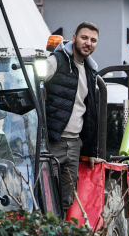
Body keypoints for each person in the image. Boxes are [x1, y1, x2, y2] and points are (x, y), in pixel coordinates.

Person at [44, 21, 103, 211]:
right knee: (47, 198)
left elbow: (90, 113)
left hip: (74, 144)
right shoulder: (57, 61)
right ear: (74, 38)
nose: (88, 43)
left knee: (66, 200)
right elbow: (33, 86)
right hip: (53, 142)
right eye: (84, 37)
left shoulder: (90, 71)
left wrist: (91, 150)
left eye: (93, 40)